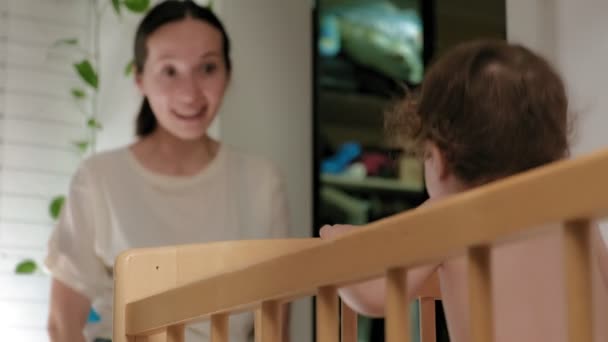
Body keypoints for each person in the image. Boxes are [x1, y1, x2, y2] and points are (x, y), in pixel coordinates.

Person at [320, 40, 608, 342]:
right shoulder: (573, 214)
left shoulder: (450, 216)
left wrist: (337, 247)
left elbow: (376, 295)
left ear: (439, 158)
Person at [45, 1, 290, 341]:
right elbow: (62, 324)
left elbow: (274, 325)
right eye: (170, 71)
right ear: (140, 79)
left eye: (207, 68)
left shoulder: (262, 181)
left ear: (228, 74)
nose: (190, 94)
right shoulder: (99, 178)